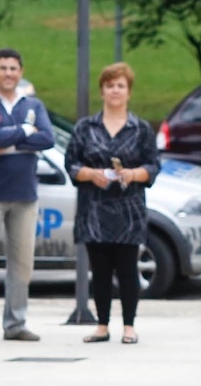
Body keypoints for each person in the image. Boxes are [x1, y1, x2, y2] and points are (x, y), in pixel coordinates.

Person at [65, 63, 158, 344]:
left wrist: (131, 174)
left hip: (129, 209)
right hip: (94, 208)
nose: (115, 91)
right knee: (101, 270)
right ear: (102, 91)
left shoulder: (140, 128)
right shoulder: (86, 127)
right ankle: (102, 324)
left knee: (128, 269)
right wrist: (91, 174)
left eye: (120, 86)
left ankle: (129, 326)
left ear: (129, 92)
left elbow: (153, 166)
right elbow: (71, 164)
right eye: (110, 86)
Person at [0, 48, 53, 342]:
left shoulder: (33, 104)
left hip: (25, 195)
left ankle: (15, 324)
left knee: (22, 264)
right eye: (2, 68)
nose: (8, 73)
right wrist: (25, 132)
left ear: (21, 71)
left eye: (13, 68)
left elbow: (48, 138)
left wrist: (10, 141)